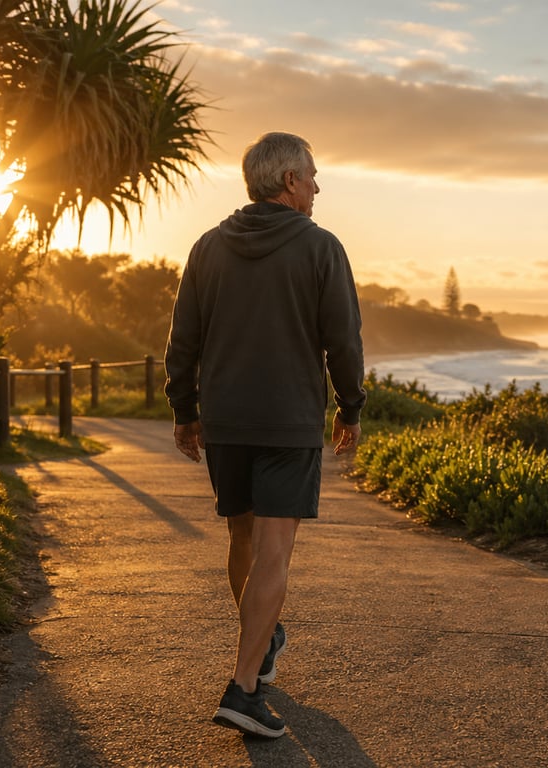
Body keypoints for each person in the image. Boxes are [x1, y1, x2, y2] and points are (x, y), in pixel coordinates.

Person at [164, 131, 366, 739]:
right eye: (311, 175)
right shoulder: (322, 248)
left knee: (244, 539)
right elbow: (344, 342)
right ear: (288, 183)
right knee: (274, 551)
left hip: (226, 422)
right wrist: (350, 407)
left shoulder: (206, 247)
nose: (317, 186)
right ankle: (244, 686)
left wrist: (184, 409)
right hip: (287, 422)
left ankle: (263, 639)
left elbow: (183, 339)